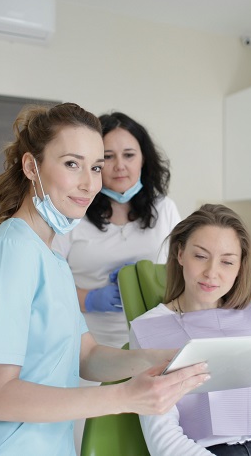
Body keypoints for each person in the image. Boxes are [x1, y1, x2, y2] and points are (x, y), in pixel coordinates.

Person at [0, 102, 208, 456]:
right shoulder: (8, 254)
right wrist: (123, 397)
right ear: (31, 166)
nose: (89, 183)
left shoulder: (50, 255)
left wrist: (163, 360)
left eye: (95, 167)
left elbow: (85, 355)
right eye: (72, 164)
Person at [129, 204, 251, 456]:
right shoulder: (150, 329)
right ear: (180, 254)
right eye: (200, 256)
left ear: (240, 266)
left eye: (227, 261)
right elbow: (163, 440)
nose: (212, 273)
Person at [53, 111, 181, 349]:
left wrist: (151, 277)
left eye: (129, 155)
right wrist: (89, 299)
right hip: (86, 347)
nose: (120, 166)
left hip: (153, 344)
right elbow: (47, 285)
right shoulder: (71, 214)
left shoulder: (165, 210)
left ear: (144, 159)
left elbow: (183, 273)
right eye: (108, 156)